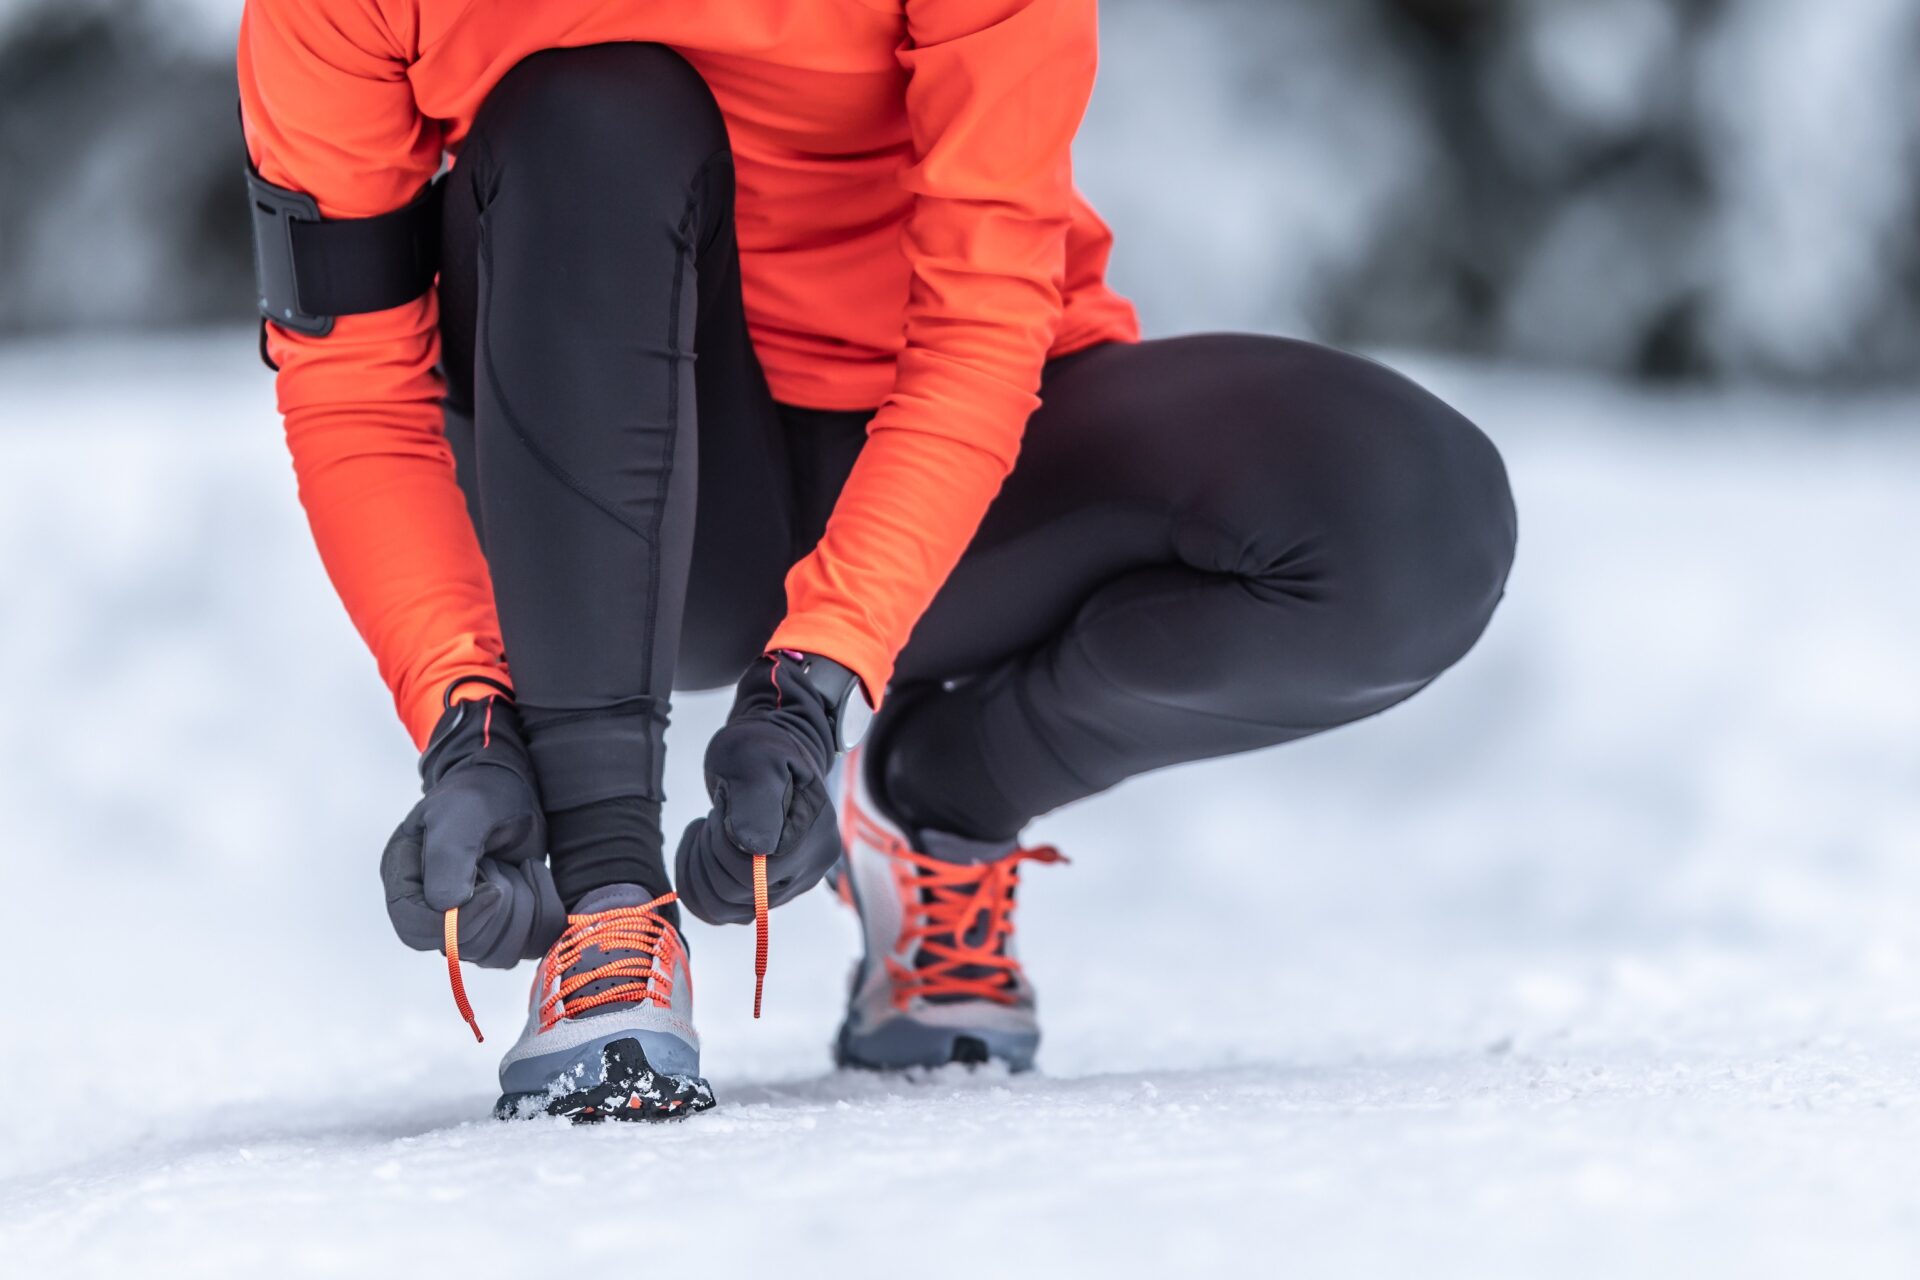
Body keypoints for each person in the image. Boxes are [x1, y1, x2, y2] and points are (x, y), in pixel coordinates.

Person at [238, 0, 1517, 1121]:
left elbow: (983, 321)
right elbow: (353, 386)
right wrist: (465, 718)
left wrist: (819, 680)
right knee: (595, 107)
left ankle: (935, 803)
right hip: (629, 514)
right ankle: (608, 901)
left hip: (960, 463)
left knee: (1408, 520)